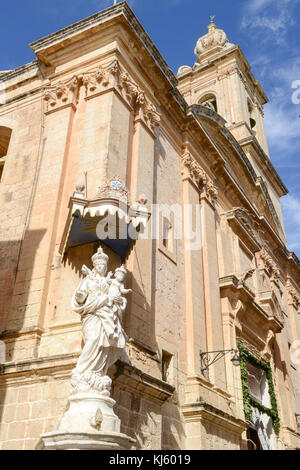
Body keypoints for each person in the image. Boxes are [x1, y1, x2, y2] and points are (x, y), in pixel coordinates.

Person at [71, 246, 129, 393]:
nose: (101, 267)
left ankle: (97, 372)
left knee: (103, 345)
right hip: (92, 315)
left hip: (105, 316)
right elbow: (80, 299)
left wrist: (116, 299)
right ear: (95, 266)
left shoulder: (108, 282)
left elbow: (116, 298)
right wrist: (79, 296)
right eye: (98, 265)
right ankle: (82, 371)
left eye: (103, 265)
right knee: (93, 339)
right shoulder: (87, 280)